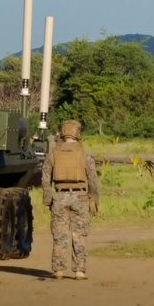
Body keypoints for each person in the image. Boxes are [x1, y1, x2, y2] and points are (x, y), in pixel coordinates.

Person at [45, 119, 100, 280]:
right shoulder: (84, 153)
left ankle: (58, 270)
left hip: (60, 196)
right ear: (77, 133)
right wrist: (93, 198)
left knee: (59, 235)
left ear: (63, 132)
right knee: (79, 235)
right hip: (80, 197)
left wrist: (48, 200)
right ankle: (79, 271)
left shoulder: (53, 152)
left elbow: (45, 177)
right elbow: (93, 179)